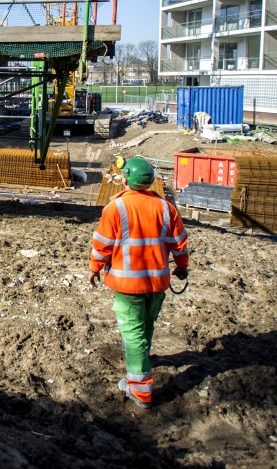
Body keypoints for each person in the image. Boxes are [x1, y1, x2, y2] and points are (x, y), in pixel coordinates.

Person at [89, 156, 189, 408]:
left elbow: (102, 246)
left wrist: (94, 268)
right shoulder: (166, 208)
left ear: (125, 180)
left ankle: (141, 389)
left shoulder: (116, 208)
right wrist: (182, 267)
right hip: (157, 284)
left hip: (128, 286)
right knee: (146, 327)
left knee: (132, 334)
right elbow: (179, 243)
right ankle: (142, 362)